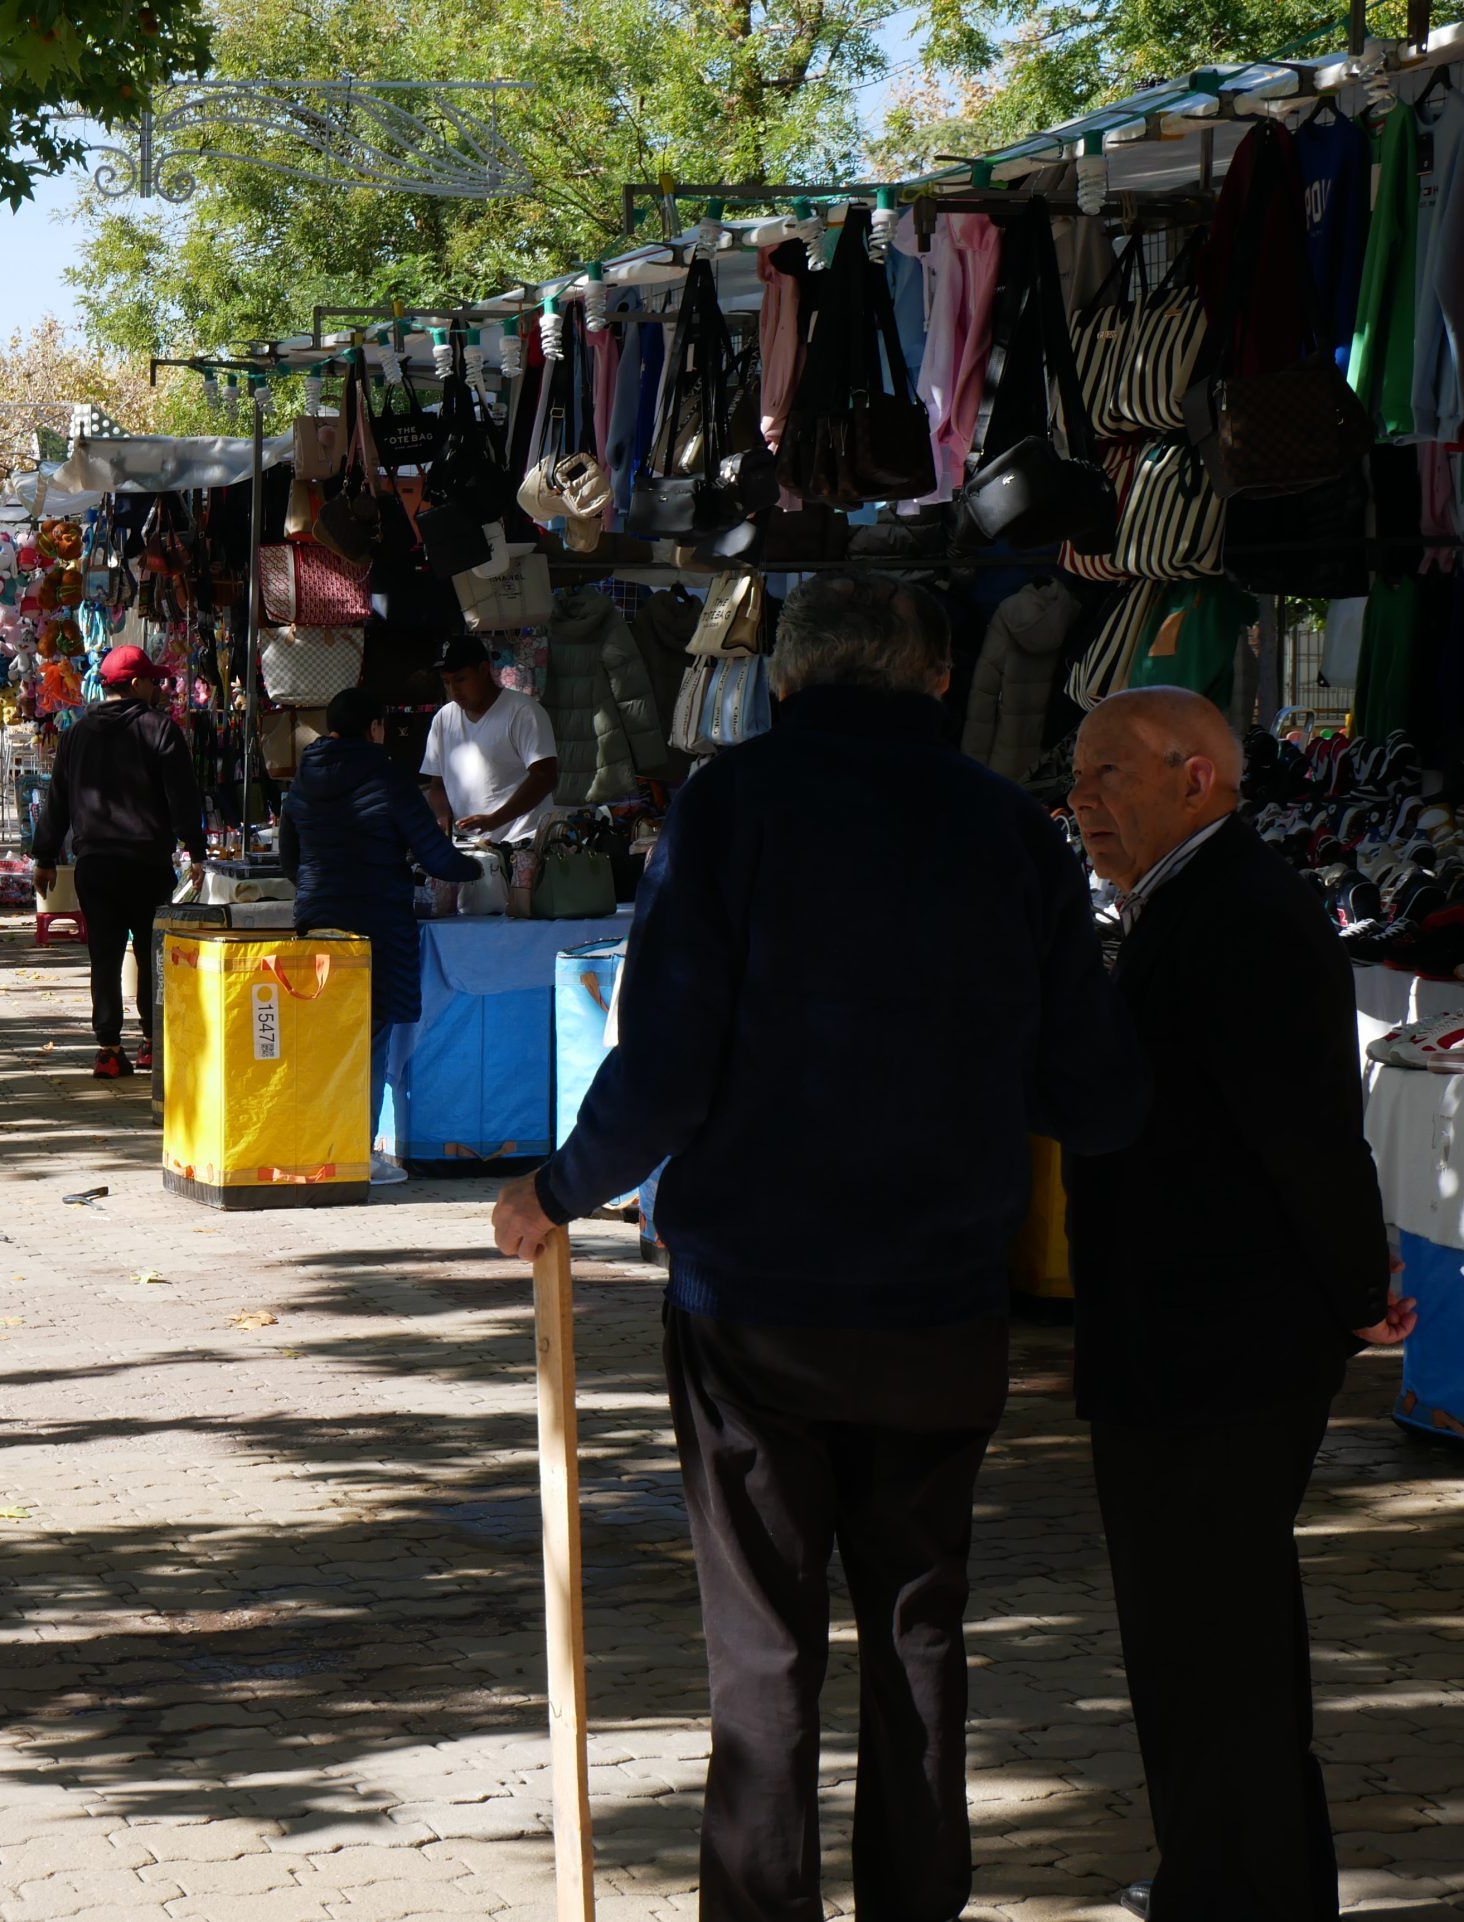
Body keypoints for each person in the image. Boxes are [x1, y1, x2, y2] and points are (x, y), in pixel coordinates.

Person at [489, 574, 1148, 1920]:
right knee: (919, 1630)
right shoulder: (1008, 829)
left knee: (764, 1652)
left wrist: (557, 1188)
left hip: (759, 1310)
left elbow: (664, 1063)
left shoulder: (732, 808)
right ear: (938, 678)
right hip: (941, 1304)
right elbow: (1100, 1095)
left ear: (780, 683)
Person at [1064, 687, 1414, 1922]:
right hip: (1182, 1330)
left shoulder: (1243, 912)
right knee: (1186, 1633)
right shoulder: (1184, 903)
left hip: (1220, 1340)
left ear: (1194, 778)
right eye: (1079, 777)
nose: (1083, 801)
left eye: (1108, 774)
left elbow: (1307, 1132)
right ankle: (1223, 1873)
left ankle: (1246, 1885)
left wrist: (1362, 1290)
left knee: (1215, 1633)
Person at [278, 688, 482, 1185]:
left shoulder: (304, 778)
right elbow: (434, 855)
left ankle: (317, 1146)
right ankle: (355, 1154)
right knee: (367, 1042)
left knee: (324, 1040)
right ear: (373, 727)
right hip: (375, 928)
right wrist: (478, 868)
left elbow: (289, 857)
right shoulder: (386, 775)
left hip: (317, 922)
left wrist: (316, 891)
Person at [32, 645, 206, 1078]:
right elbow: (182, 797)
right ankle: (152, 1041)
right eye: (152, 680)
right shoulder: (160, 729)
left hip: (96, 865)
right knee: (152, 953)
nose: (157, 686)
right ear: (133, 685)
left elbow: (57, 800)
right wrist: (197, 850)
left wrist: (45, 855)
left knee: (104, 956)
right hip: (146, 863)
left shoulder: (76, 734)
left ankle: (109, 1049)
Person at [420, 636, 560, 900]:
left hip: (524, 848)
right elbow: (436, 784)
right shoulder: (443, 719)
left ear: (484, 670)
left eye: (460, 679)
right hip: (473, 852)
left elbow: (545, 776)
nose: (454, 690)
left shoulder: (523, 712)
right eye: (447, 682)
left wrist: (496, 818)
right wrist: (443, 820)